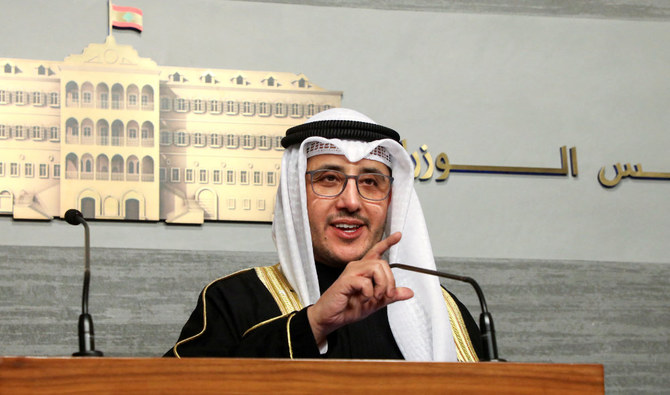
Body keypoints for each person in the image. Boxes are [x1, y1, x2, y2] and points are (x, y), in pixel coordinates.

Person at [165, 108, 481, 361]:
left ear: (391, 201)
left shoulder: (441, 310)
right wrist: (313, 324)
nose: (351, 202)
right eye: (329, 179)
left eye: (371, 182)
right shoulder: (234, 300)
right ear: (294, 195)